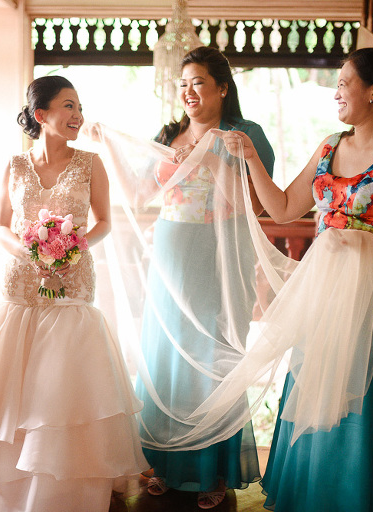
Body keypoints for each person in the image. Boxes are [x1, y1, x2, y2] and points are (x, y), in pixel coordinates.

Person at [0, 75, 147, 512]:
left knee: (62, 385)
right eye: (69, 106)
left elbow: (106, 222)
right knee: (13, 384)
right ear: (42, 115)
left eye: (79, 106)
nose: (78, 115)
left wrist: (74, 248)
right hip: (22, 282)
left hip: (73, 281)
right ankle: (6, 493)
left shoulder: (91, 163)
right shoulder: (14, 166)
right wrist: (29, 251)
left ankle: (63, 492)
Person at [223, 45, 373, 511]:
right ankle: (303, 496)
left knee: (356, 399)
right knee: (311, 390)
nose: (335, 92)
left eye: (343, 83)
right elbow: (280, 208)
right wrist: (251, 157)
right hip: (321, 292)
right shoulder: (329, 145)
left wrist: (357, 244)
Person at [137, 46, 275, 509]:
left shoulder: (244, 134)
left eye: (198, 82)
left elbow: (257, 205)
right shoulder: (168, 133)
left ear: (222, 87)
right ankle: (165, 463)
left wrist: (211, 158)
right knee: (166, 357)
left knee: (215, 357)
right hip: (172, 253)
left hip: (220, 257)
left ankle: (213, 472)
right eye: (183, 84)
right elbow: (143, 190)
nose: (189, 92)